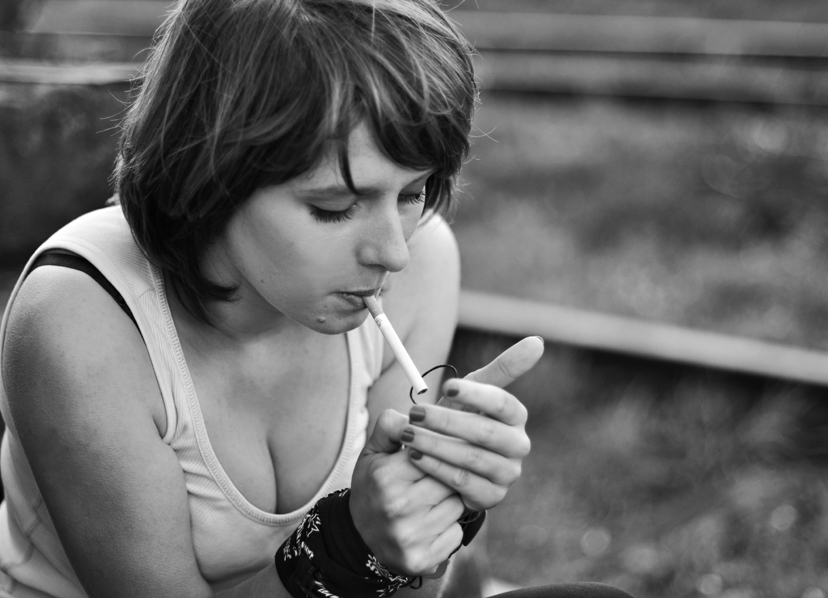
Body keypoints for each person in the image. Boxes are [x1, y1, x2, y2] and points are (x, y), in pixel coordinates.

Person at [0, 1, 634, 597]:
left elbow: (406, 588)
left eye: (411, 193)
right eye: (334, 207)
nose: (393, 252)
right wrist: (346, 547)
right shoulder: (80, 320)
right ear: (208, 176)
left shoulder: (422, 260)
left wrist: (437, 509)